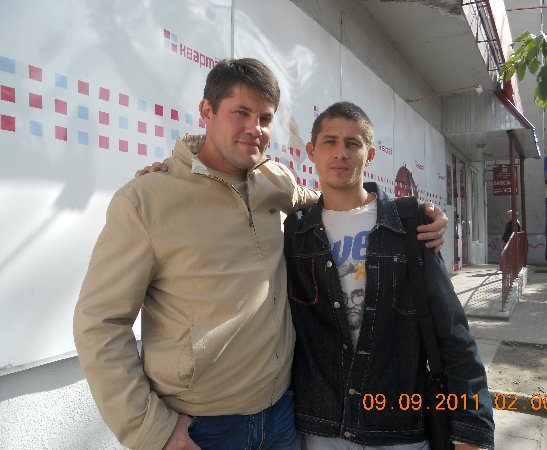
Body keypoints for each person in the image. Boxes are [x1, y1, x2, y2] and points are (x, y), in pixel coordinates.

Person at [74, 58, 449, 450]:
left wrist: (409, 214)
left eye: (265, 118)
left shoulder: (274, 182)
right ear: (207, 111)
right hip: (203, 428)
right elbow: (100, 322)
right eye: (241, 112)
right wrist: (152, 430)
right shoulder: (147, 200)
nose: (255, 128)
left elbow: (331, 202)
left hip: (283, 417)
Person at [284, 102, 494, 449]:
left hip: (397, 427)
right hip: (321, 428)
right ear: (311, 151)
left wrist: (471, 426)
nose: (340, 153)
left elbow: (451, 331)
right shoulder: (295, 231)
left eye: (352, 143)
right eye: (330, 141)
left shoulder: (408, 225)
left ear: (370, 154)